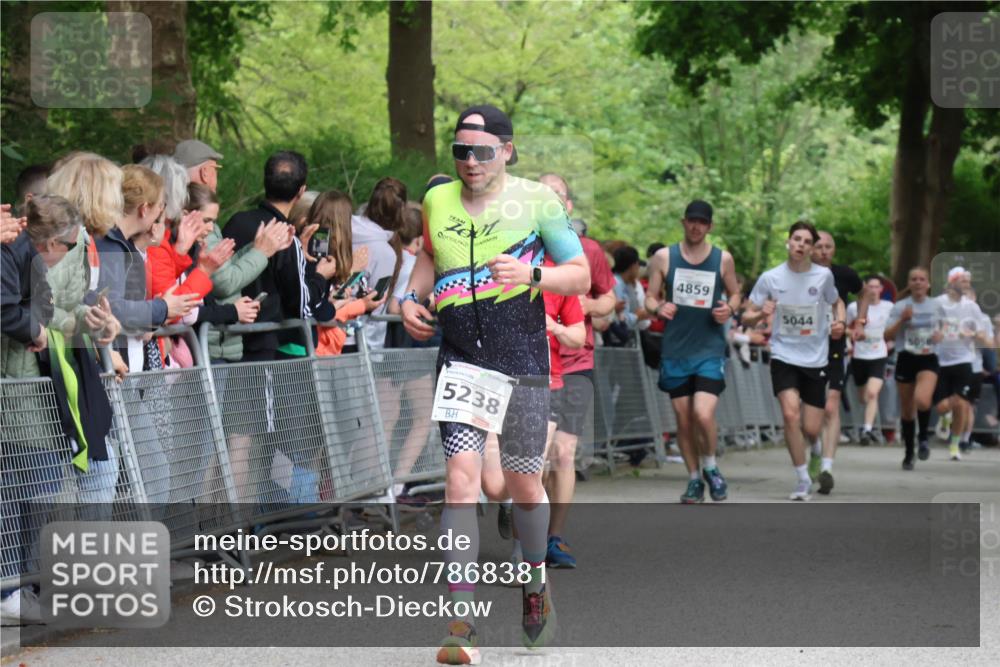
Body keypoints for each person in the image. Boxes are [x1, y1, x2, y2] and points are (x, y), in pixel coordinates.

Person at [400, 104, 589, 663]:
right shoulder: (436, 200)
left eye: (482, 151)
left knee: (524, 486)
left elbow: (575, 272)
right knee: (461, 482)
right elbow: (427, 260)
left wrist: (533, 274)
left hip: (523, 359)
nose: (471, 162)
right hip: (461, 360)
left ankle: (534, 584)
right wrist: (410, 299)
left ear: (506, 150)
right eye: (461, 151)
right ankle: (461, 623)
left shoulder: (538, 200)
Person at [536, 172, 615, 568]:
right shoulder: (523, 251)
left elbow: (609, 301)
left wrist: (584, 309)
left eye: (558, 196)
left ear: (568, 207)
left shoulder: (589, 251)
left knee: (563, 453)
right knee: (535, 459)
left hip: (576, 361)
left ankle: (553, 538)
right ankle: (525, 527)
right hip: (533, 365)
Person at [644, 199, 741, 503]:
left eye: (702, 222)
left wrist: (729, 308)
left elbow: (735, 293)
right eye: (691, 220)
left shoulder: (722, 259)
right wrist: (659, 306)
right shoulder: (663, 257)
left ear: (709, 227)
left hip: (709, 348)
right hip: (675, 350)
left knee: (702, 412)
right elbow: (649, 298)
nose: (696, 226)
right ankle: (694, 479)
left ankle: (711, 466)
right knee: (683, 420)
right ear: (683, 222)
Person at [743, 221, 844, 501]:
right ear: (788, 242)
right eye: (796, 239)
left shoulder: (823, 276)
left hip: (815, 358)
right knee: (789, 414)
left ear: (812, 248)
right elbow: (746, 316)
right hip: (784, 355)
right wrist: (760, 313)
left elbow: (836, 303)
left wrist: (840, 323)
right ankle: (801, 479)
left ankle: (814, 449)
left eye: (806, 241)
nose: (800, 244)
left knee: (811, 428)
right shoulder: (771, 277)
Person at [222, 151, 308, 362]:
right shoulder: (286, 237)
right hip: (269, 342)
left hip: (229, 336)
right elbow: (299, 302)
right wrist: (318, 275)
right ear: (301, 191)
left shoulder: (236, 222)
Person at [809, 230, 863, 494]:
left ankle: (827, 467)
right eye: (818, 246)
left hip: (834, 347)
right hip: (803, 349)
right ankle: (816, 452)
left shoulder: (845, 275)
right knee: (806, 415)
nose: (823, 251)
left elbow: (862, 293)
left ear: (834, 249)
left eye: (828, 246)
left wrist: (859, 321)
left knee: (830, 408)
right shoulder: (797, 274)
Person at [885, 267, 940, 468]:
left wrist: (940, 335)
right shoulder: (900, 306)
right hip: (906, 357)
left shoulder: (937, 305)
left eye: (922, 279)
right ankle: (909, 453)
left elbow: (947, 327)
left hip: (928, 357)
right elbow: (887, 336)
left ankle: (923, 437)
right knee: (907, 411)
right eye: (914, 279)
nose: (918, 282)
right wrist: (902, 320)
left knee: (923, 400)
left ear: (928, 284)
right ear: (910, 283)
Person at [932, 267, 987, 461]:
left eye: (967, 281)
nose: (967, 285)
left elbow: (982, 335)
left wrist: (970, 334)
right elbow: (927, 331)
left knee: (962, 403)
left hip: (964, 359)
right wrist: (935, 335)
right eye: (963, 281)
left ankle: (955, 445)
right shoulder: (938, 303)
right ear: (951, 282)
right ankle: (945, 417)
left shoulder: (971, 306)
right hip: (940, 359)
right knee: (940, 406)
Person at [349, 177, 408, 351]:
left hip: (331, 332)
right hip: (359, 341)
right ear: (401, 209)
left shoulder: (344, 228)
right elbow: (376, 302)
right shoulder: (385, 253)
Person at [847, 275, 894, 445]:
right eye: (870, 287)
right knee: (863, 397)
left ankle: (866, 430)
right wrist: (849, 340)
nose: (873, 290)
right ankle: (868, 424)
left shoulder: (889, 307)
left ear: (882, 289)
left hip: (879, 355)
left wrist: (891, 341)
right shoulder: (854, 307)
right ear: (865, 289)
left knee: (873, 393)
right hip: (859, 355)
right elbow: (844, 325)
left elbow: (896, 327)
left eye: (876, 287)